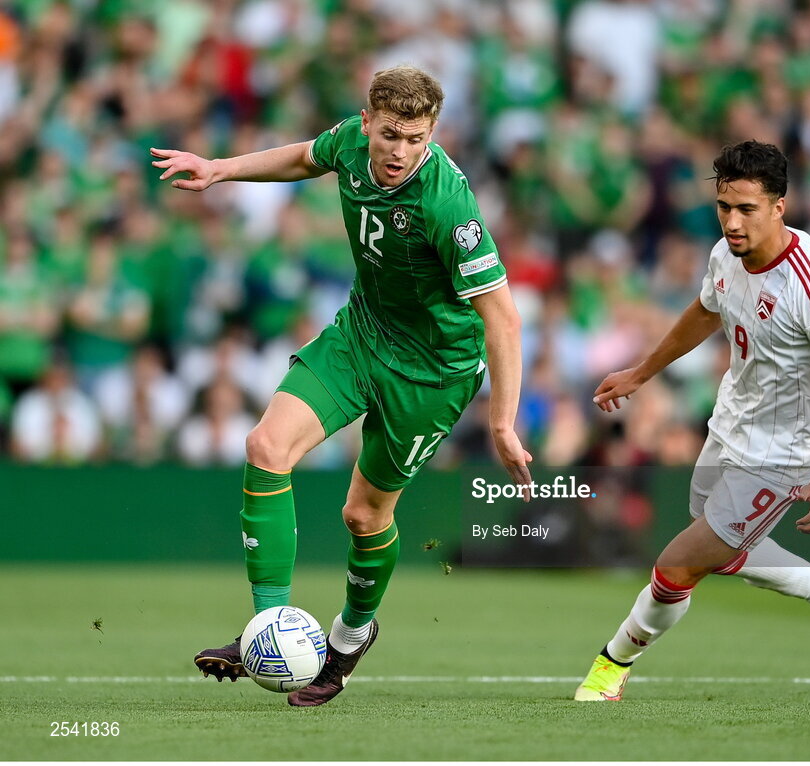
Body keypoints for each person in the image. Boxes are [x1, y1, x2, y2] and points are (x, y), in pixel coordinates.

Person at [152, 65, 531, 707]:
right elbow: (303, 156)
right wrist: (221, 167)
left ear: (432, 132)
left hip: (433, 373)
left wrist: (500, 422)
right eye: (390, 135)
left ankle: (351, 637)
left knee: (363, 514)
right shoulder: (349, 145)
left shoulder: (447, 204)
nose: (400, 151)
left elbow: (504, 317)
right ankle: (265, 631)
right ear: (367, 122)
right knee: (265, 448)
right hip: (360, 335)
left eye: (415, 138)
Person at [574, 140, 810, 701]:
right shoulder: (724, 254)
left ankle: (609, 668)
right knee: (724, 550)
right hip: (730, 424)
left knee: (677, 565)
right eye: (724, 207)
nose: (732, 223)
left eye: (746, 210)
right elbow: (705, 312)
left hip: (785, 450)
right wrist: (642, 372)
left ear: (779, 206)